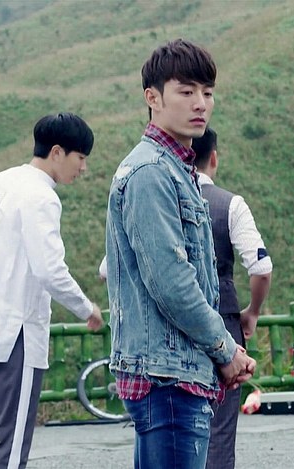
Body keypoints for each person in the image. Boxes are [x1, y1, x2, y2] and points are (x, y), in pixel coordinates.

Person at [105, 39, 256, 469]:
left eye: (207, 92)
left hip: (176, 368)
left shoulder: (175, 168)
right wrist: (225, 349)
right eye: (186, 91)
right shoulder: (152, 173)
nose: (200, 103)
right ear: (152, 98)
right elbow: (171, 282)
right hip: (167, 375)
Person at [0, 112, 105, 469]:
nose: (83, 168)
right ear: (57, 152)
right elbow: (49, 270)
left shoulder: (1, 181)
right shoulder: (42, 196)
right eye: (80, 157)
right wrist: (86, 307)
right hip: (18, 331)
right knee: (12, 433)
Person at [192, 127, 273, 469]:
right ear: (213, 157)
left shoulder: (157, 198)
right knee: (219, 431)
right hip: (223, 322)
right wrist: (252, 311)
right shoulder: (230, 204)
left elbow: (108, 268)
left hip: (168, 328)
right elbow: (262, 267)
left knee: (172, 429)